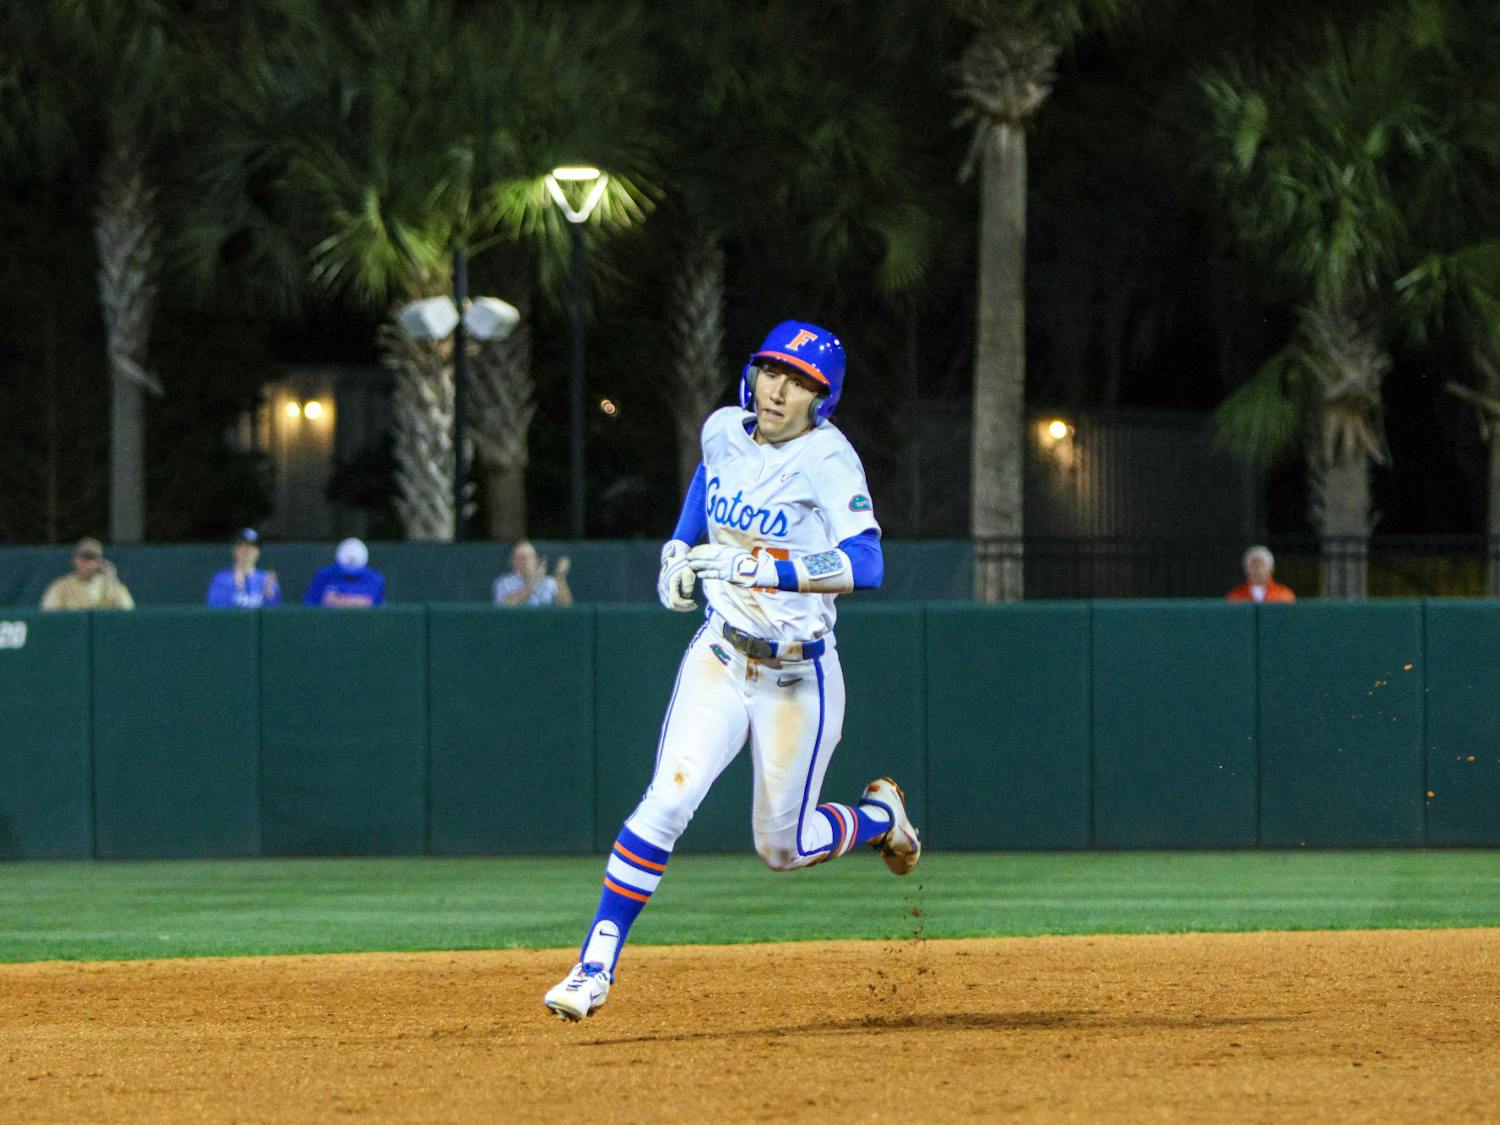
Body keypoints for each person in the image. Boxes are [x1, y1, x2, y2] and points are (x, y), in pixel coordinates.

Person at [543, 319, 920, 1022]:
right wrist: (677, 548)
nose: (779, 389)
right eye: (772, 371)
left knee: (783, 847)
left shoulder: (829, 459)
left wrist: (763, 566)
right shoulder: (723, 427)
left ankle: (879, 817)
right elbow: (707, 482)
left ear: (822, 398)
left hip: (796, 677)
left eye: (800, 381)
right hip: (719, 653)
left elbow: (868, 564)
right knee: (667, 799)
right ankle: (595, 964)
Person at [40, 537, 135, 610]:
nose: (86, 564)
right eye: (83, 558)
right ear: (75, 560)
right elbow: (49, 612)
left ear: (99, 562)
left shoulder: (109, 585)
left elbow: (127, 609)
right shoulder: (62, 586)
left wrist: (112, 580)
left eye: (91, 559)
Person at [205, 529, 281, 608]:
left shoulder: (266, 579)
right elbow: (216, 611)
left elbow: (275, 614)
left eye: (251, 547)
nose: (246, 551)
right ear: (234, 550)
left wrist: (270, 596)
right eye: (241, 546)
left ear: (258, 552)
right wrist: (239, 590)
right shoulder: (221, 579)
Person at [303, 538, 385, 607]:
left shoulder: (375, 579)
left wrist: (337, 600)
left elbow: (375, 609)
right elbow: (309, 606)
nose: (350, 574)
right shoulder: (324, 575)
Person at [493, 541, 573, 607]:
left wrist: (560, 577)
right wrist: (533, 583)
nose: (526, 562)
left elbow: (566, 605)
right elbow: (505, 606)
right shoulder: (504, 582)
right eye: (520, 558)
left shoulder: (549, 582)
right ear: (513, 562)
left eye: (529, 557)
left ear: (537, 560)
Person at [1226, 545, 1296, 603]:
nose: (1256, 569)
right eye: (1252, 565)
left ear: (1270, 568)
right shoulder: (1235, 596)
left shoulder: (1284, 595)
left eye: (1260, 564)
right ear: (1246, 569)